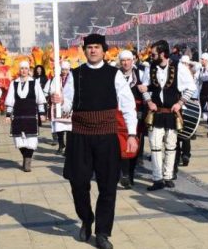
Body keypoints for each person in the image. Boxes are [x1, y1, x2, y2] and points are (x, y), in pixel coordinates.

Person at [51, 33, 137, 249]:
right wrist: (60, 102)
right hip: (80, 135)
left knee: (108, 186)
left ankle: (102, 232)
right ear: (85, 50)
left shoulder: (114, 74)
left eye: (97, 47)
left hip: (107, 135)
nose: (93, 50)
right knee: (78, 182)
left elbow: (128, 106)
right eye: (89, 47)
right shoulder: (76, 74)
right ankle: (86, 218)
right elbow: (68, 104)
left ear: (104, 50)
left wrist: (133, 134)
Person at [142, 40, 196, 191]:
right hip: (156, 112)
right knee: (155, 145)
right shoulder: (150, 68)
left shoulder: (178, 67)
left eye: (153, 54)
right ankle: (157, 178)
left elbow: (191, 87)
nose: (151, 56)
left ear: (163, 53)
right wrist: (148, 101)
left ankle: (167, 176)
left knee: (171, 146)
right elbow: (145, 87)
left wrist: (180, 102)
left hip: (172, 113)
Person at [5, 60, 46, 172]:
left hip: (31, 114)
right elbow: (10, 100)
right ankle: (25, 156)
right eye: (22, 68)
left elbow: (40, 99)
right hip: (18, 114)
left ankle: (27, 161)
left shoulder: (34, 83)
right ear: (19, 70)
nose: (24, 70)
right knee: (18, 139)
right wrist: (8, 115)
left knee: (31, 139)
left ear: (29, 70)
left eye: (26, 68)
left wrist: (42, 113)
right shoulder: (14, 83)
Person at [117, 50, 147, 190]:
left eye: (128, 60)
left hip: (138, 112)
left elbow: (147, 93)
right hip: (120, 112)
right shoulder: (115, 75)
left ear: (132, 60)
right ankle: (124, 174)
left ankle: (131, 173)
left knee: (135, 143)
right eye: (123, 60)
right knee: (122, 144)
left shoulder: (140, 74)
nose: (126, 63)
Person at [44, 61, 73, 154]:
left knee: (69, 128)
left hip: (69, 105)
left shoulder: (72, 78)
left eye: (66, 69)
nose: (64, 71)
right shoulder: (56, 78)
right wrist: (56, 93)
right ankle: (61, 145)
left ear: (69, 69)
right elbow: (51, 89)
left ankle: (69, 147)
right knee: (59, 127)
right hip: (58, 105)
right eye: (63, 69)